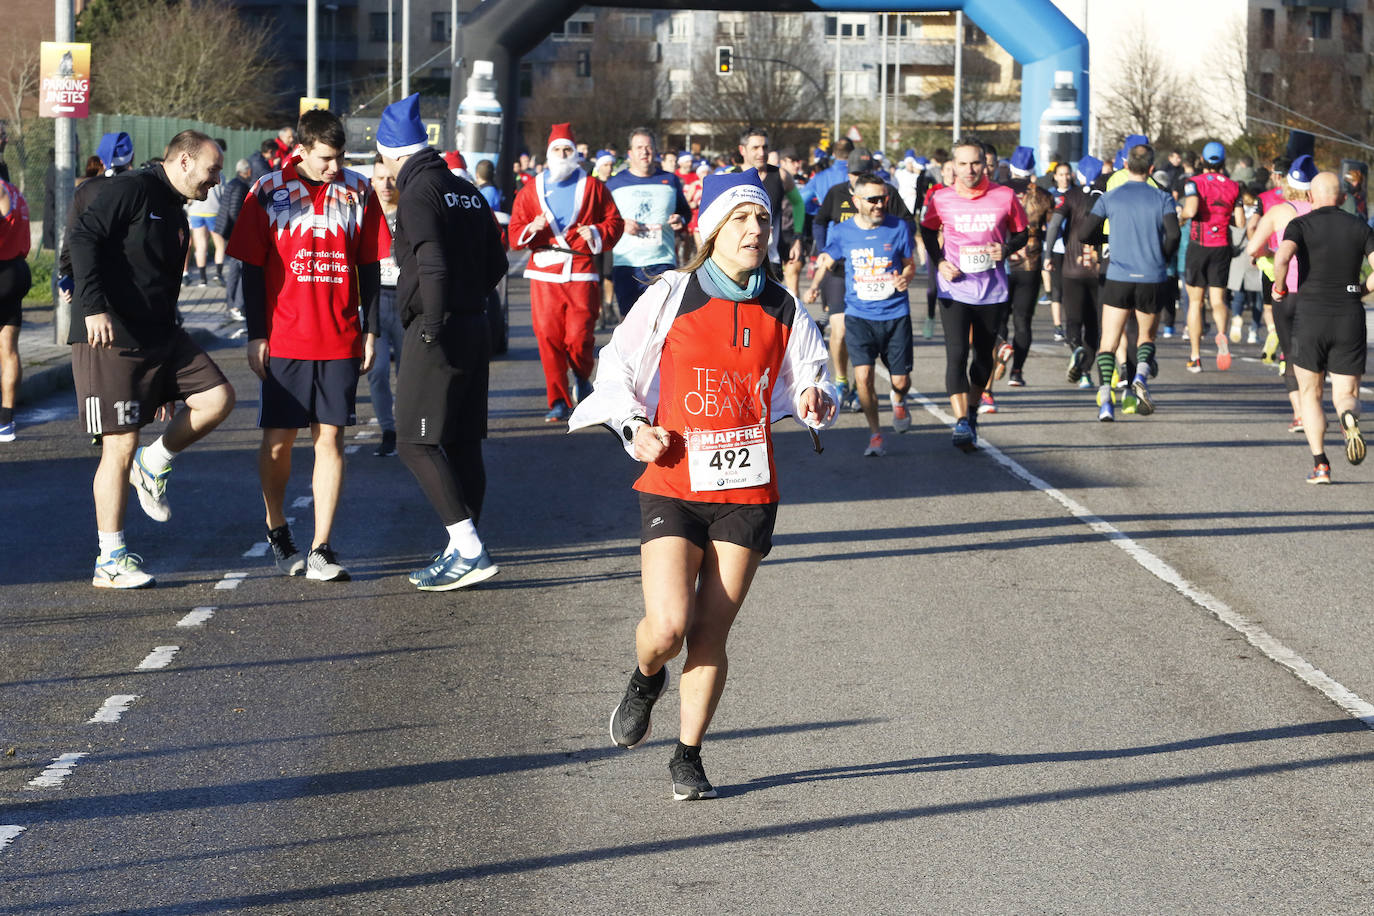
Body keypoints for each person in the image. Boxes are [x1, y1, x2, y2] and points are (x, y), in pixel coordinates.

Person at [569, 169, 836, 800]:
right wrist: (634, 426)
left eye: (763, 220)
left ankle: (687, 756)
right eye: (741, 219)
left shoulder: (784, 306)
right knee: (667, 626)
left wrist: (815, 397)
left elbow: (812, 378)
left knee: (711, 633)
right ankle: (644, 678)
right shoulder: (671, 294)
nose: (754, 230)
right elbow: (617, 371)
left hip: (746, 491)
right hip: (673, 479)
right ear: (713, 228)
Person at [227, 108, 389, 583]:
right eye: (325, 158)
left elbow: (370, 267)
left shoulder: (359, 190)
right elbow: (251, 269)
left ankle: (321, 546)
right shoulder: (266, 191)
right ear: (301, 149)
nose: (334, 166)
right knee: (279, 443)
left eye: (339, 157)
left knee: (331, 438)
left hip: (340, 337)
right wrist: (256, 334)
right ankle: (277, 527)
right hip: (284, 337)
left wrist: (371, 329)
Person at [68, 130, 235, 587]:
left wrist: (162, 380)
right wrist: (92, 307)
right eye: (211, 171)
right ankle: (110, 559)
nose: (215, 182)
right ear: (184, 161)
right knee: (119, 445)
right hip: (111, 335)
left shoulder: (176, 207)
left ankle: (155, 461)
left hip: (160, 335)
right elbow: (81, 239)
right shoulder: (132, 190)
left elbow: (161, 283)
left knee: (217, 398)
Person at [374, 93, 508, 590]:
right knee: (462, 440)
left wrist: (431, 324)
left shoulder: (418, 192)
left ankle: (469, 549)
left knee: (414, 441)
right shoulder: (466, 189)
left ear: (392, 150)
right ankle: (460, 545)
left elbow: (431, 261)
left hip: (439, 326)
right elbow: (497, 263)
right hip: (475, 321)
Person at [510, 122, 625, 422]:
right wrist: (530, 229)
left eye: (567, 150)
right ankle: (558, 399)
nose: (562, 154)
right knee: (548, 338)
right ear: (548, 154)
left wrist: (597, 231)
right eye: (557, 150)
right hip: (544, 272)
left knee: (579, 337)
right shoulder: (529, 190)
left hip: (581, 270)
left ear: (575, 154)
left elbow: (615, 222)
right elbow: (513, 232)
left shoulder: (593, 187)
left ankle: (582, 377)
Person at [920, 138, 1028, 451]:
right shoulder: (941, 198)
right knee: (956, 355)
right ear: (952, 166)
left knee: (982, 358)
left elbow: (1023, 233)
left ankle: (971, 411)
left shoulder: (1004, 196)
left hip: (992, 291)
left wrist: (1005, 248)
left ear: (985, 164)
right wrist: (939, 261)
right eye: (963, 164)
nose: (969, 170)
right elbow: (927, 230)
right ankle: (961, 423)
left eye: (975, 163)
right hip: (954, 288)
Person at [1272, 171, 1374, 484]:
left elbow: (1283, 255)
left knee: (1310, 394)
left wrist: (1278, 287)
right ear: (1342, 198)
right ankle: (1348, 417)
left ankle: (1321, 465)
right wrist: (1361, 291)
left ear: (1311, 197)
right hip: (1349, 314)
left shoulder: (1300, 224)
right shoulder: (1360, 226)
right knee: (1346, 393)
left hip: (1310, 316)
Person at [805, 172, 915, 456]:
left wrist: (905, 277)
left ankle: (899, 400)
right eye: (873, 199)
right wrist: (815, 287)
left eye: (884, 199)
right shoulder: (842, 232)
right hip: (859, 315)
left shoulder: (898, 227)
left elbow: (909, 264)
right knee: (863, 378)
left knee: (900, 381)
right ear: (857, 201)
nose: (880, 204)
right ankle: (875, 434)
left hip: (895, 314)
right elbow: (827, 259)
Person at [1076, 143, 1180, 421]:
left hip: (1118, 277)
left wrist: (1108, 241)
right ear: (1151, 168)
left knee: (1108, 342)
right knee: (1145, 337)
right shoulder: (1162, 197)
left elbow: (1084, 234)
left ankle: (1106, 401)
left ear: (1125, 165)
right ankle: (1141, 378)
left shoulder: (1110, 197)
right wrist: (1162, 257)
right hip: (1152, 276)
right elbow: (1173, 235)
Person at [1247, 155, 1316, 432]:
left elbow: (1253, 248)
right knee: (1315, 356)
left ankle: (1300, 413)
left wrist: (1271, 254)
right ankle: (1326, 406)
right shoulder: (1322, 211)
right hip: (1319, 293)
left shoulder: (1279, 212)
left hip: (1286, 291)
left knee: (1291, 354)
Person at [605, 127, 691, 315]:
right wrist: (621, 224)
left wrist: (680, 219)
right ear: (630, 153)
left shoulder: (670, 180)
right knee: (629, 325)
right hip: (627, 264)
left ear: (655, 151)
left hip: (662, 262)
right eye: (639, 147)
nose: (644, 151)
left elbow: (685, 212)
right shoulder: (614, 184)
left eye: (649, 147)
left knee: (660, 323)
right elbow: (602, 220)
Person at [1180, 141, 1244, 372]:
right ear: (1223, 162)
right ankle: (1221, 334)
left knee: (1195, 302)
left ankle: (1195, 356)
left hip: (1199, 245)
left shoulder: (1194, 183)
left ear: (1202, 162)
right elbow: (1241, 221)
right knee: (1218, 300)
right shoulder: (1234, 186)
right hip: (1222, 247)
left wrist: (1180, 218)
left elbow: (1192, 210)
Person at [58, 132, 136, 302]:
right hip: (133, 286)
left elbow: (72, 235)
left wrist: (66, 274)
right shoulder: (141, 187)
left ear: (101, 159)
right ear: (132, 157)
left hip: (90, 283)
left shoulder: (85, 190)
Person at [1000, 146, 1054, 391]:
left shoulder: (998, 192)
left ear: (1011, 167)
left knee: (998, 318)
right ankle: (1017, 371)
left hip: (1000, 263)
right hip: (1030, 264)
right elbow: (1053, 226)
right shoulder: (1043, 196)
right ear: (1033, 169)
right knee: (1023, 321)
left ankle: (1000, 348)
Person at [368, 153, 404, 456]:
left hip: (407, 301)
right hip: (374, 300)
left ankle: (410, 429)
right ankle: (388, 429)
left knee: (408, 373)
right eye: (380, 178)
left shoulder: (411, 212)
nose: (386, 184)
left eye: (391, 178)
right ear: (372, 181)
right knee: (377, 370)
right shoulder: (364, 213)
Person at [0, 175, 31, 442]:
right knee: (8, 347)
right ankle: (6, 421)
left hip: (2, 268)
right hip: (17, 270)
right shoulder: (15, 191)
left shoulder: (1, 189)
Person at [185, 139, 227, 287]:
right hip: (214, 212)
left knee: (200, 246)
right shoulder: (220, 176)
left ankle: (202, 279)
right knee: (220, 245)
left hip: (196, 212)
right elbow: (224, 195)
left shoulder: (198, 172)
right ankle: (218, 274)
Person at [215, 158, 253, 322]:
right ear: (247, 171)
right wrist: (243, 230)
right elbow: (234, 211)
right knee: (242, 270)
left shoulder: (232, 183)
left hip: (227, 231)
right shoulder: (240, 186)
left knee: (234, 271)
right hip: (237, 234)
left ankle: (232, 305)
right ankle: (237, 306)